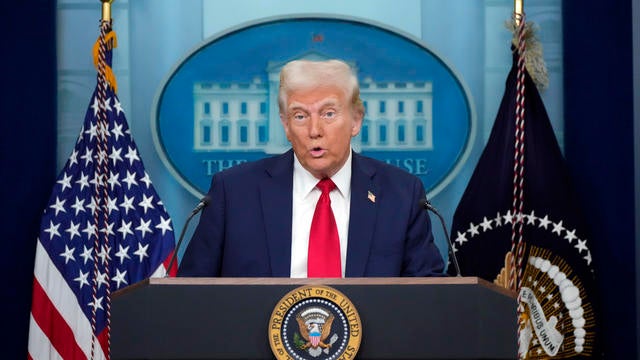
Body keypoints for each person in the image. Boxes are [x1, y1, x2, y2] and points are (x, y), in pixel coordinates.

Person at [178, 59, 444, 277]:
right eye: (300, 116)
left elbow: (427, 298)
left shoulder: (401, 194)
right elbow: (192, 295)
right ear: (285, 125)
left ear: (356, 120)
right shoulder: (234, 191)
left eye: (329, 114)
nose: (314, 131)